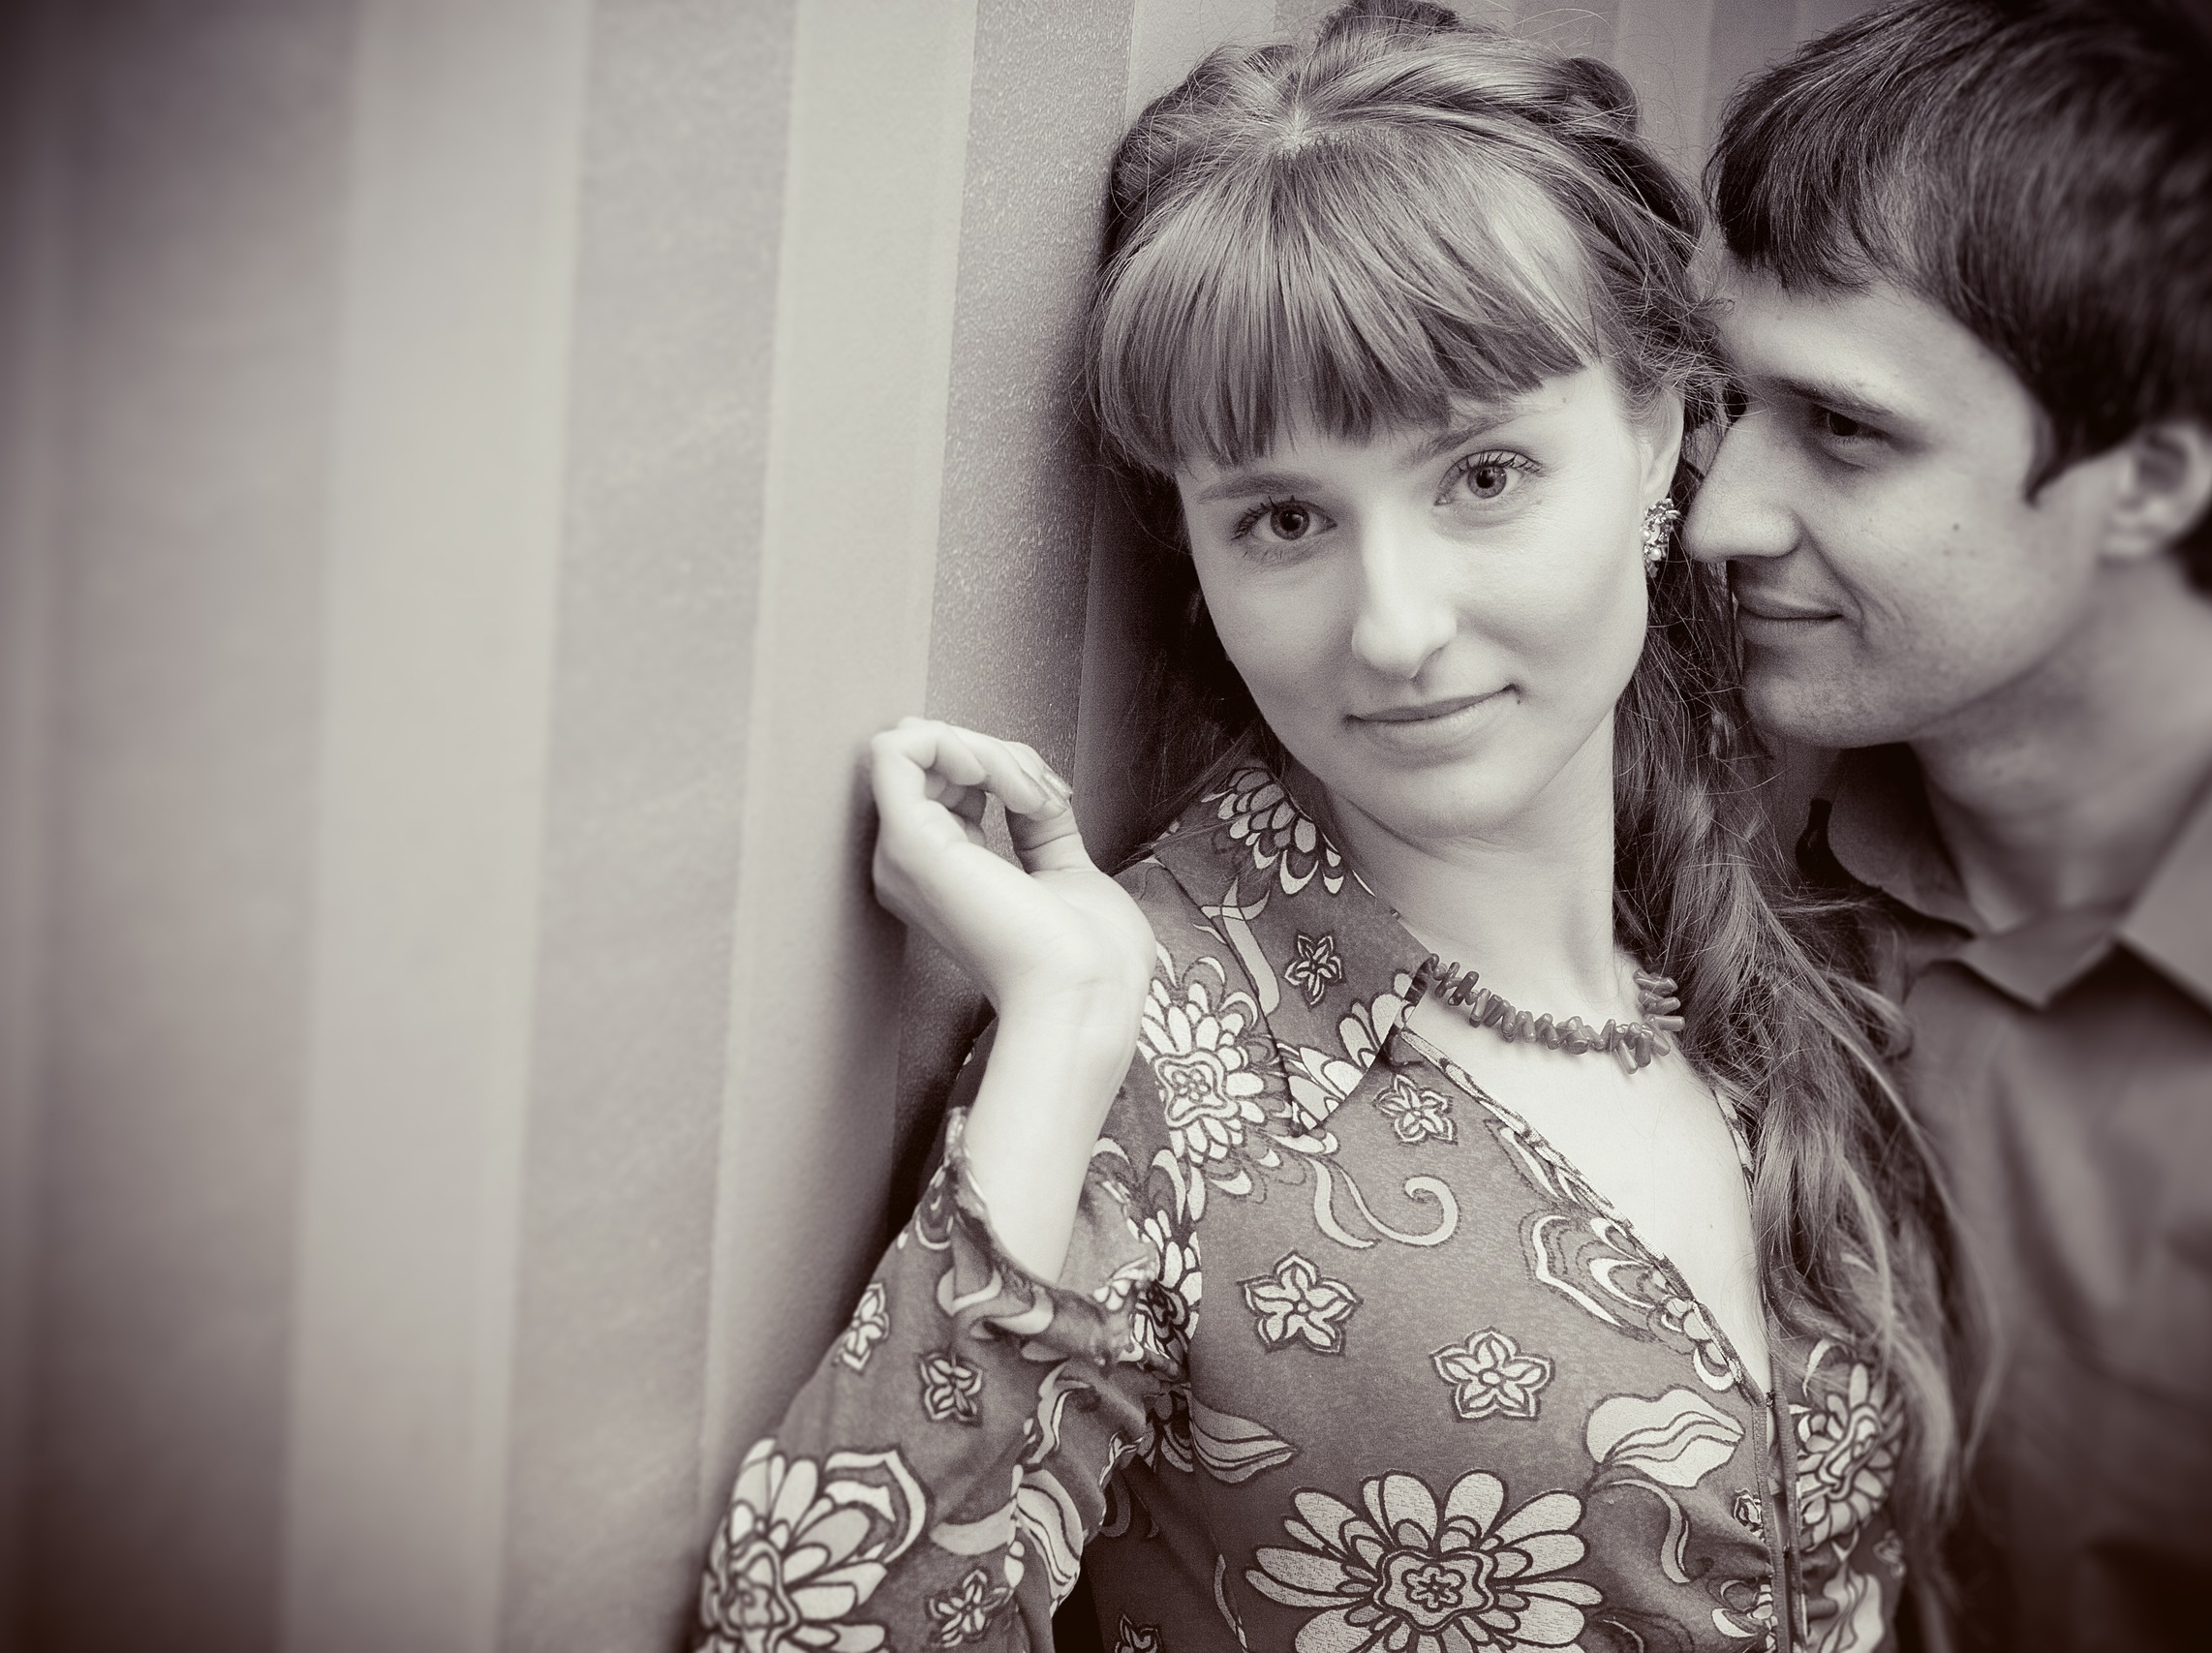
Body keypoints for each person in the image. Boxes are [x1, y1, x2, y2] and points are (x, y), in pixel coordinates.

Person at [694, 5, 1967, 1650]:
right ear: (1196, 551)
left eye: (1484, 477)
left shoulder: (1760, 965)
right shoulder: (1155, 1068)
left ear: (1658, 435)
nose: (1396, 628)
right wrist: (1070, 1026)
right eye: (1286, 518)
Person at [1684, 2, 2212, 1649]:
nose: (1717, 517)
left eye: (1847, 430)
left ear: (2155, 478)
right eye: (1722, 402)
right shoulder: (1684, 793)